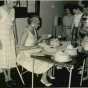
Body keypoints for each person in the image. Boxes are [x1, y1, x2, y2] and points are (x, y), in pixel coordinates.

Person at [17, 16, 53, 86]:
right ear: (32, 22)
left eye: (39, 23)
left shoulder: (34, 30)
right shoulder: (26, 32)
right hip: (26, 54)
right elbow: (20, 47)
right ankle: (43, 78)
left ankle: (47, 73)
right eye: (38, 23)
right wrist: (33, 47)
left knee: (49, 54)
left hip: (33, 51)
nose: (39, 25)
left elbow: (35, 42)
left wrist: (42, 38)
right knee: (46, 59)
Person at [0, 0, 18, 83]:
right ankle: (6, 76)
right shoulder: (0, 10)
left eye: (16, 2)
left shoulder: (13, 10)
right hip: (2, 36)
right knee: (3, 56)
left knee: (10, 55)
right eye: (14, 2)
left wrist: (16, 37)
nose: (15, 4)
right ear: (8, 1)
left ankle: (10, 76)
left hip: (10, 36)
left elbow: (14, 25)